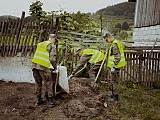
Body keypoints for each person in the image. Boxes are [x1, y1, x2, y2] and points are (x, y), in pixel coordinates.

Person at [32, 34, 58, 107]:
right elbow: (52, 59)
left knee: (38, 83)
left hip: (34, 66)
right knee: (48, 83)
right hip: (43, 67)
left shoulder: (40, 44)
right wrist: (55, 67)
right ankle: (51, 102)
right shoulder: (52, 45)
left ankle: (38, 99)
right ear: (54, 39)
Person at [103, 31, 126, 101]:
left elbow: (118, 57)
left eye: (106, 39)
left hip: (115, 66)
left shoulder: (115, 44)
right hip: (115, 66)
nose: (106, 41)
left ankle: (115, 97)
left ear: (109, 37)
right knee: (113, 81)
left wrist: (114, 66)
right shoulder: (114, 43)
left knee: (114, 81)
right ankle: (113, 94)